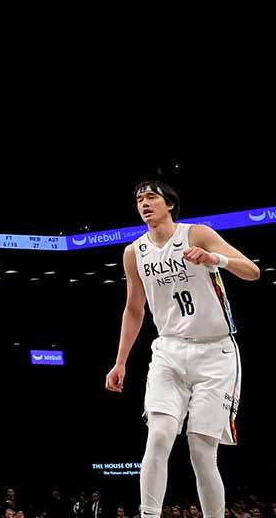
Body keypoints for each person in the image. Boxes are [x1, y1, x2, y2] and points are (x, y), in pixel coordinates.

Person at [105, 181, 259, 518]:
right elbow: (134, 310)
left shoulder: (197, 234)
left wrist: (213, 258)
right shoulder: (134, 252)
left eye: (151, 197)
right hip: (169, 352)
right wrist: (120, 362)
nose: (144, 204)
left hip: (215, 352)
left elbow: (252, 271)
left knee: (201, 450)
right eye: (139, 199)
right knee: (159, 437)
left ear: (170, 204)